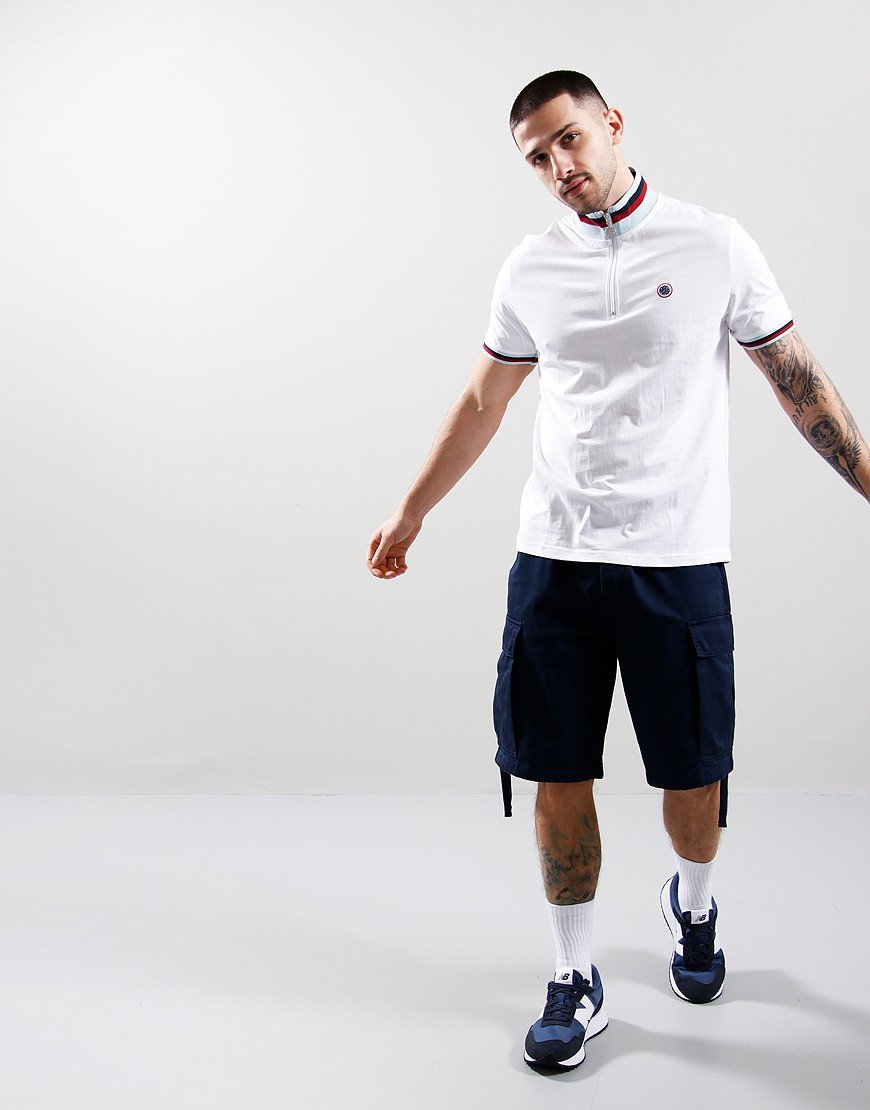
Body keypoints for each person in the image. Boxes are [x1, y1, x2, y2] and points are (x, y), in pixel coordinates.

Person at [366, 70, 870, 1071]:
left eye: (569, 138)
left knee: (695, 776)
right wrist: (411, 510)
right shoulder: (531, 267)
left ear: (612, 125)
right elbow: (483, 402)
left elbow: (796, 379)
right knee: (555, 770)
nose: (559, 165)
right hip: (555, 561)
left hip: (676, 559)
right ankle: (575, 975)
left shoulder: (714, 243)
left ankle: (694, 904)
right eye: (537, 157)